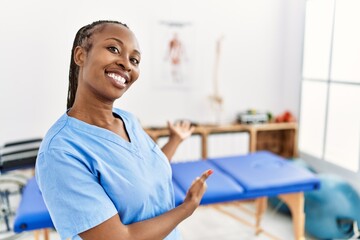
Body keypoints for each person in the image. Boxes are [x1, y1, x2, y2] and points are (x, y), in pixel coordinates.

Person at [35, 20, 213, 240]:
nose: (126, 64)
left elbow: (144, 172)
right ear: (80, 55)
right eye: (113, 49)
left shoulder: (128, 121)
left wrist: (175, 140)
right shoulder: (61, 151)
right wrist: (187, 207)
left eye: (134, 60)